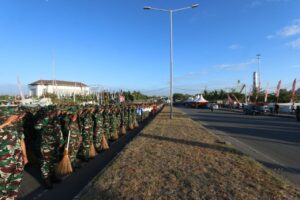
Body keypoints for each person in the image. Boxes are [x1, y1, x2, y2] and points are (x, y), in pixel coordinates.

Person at [0, 108, 28, 199]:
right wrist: (5, 124)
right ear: (6, 116)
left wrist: (25, 156)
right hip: (4, 163)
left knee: (15, 184)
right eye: (14, 115)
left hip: (18, 160)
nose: (16, 117)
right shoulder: (2, 126)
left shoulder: (17, 126)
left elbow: (21, 140)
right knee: (3, 187)